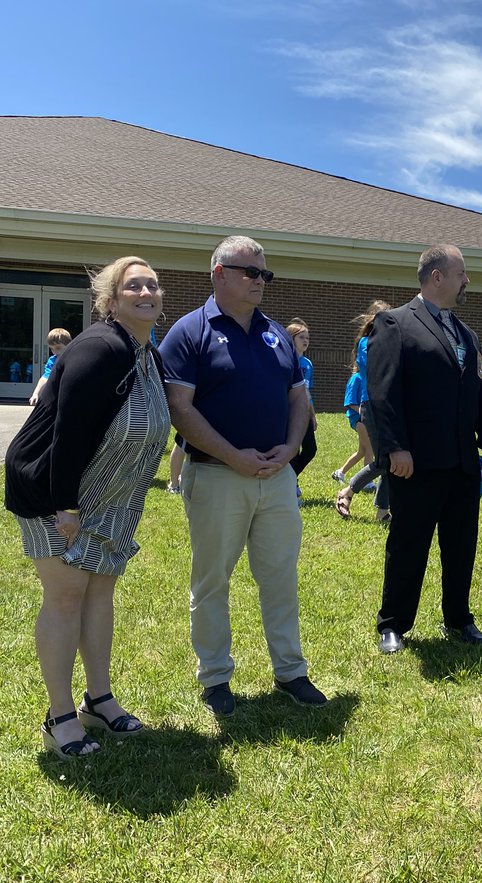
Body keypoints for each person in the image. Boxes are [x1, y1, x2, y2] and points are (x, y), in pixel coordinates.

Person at [4, 256, 170, 758]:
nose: (146, 293)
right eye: (133, 286)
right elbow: (67, 431)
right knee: (67, 597)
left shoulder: (147, 354)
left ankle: (99, 699)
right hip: (56, 493)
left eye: (153, 285)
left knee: (100, 592)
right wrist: (67, 507)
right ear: (110, 300)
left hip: (112, 498)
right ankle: (59, 718)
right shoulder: (100, 348)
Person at [160, 235, 327, 716]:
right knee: (212, 581)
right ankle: (215, 678)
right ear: (219, 273)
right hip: (216, 476)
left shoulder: (275, 333)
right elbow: (179, 408)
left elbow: (299, 397)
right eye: (251, 272)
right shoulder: (190, 332)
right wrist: (232, 455)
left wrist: (293, 448)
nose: (260, 281)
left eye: (265, 274)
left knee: (280, 578)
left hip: (276, 479)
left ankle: (290, 671)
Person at [366, 244, 482, 653]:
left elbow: (481, 398)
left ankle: (459, 617)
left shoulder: (468, 334)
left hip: (462, 463)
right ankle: (393, 624)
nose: (467, 281)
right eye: (462, 273)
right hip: (416, 464)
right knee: (409, 545)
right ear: (437, 276)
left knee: (461, 546)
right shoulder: (394, 324)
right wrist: (395, 449)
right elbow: (382, 394)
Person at [334, 301, 392, 520]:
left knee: (390, 460)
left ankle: (382, 512)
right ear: (374, 320)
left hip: (389, 408)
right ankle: (346, 492)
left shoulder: (392, 343)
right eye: (385, 319)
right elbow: (379, 370)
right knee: (383, 461)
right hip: (373, 407)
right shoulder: (366, 343)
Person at [286, 318, 318, 504]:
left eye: (307, 337)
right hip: (289, 413)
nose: (305, 341)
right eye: (301, 337)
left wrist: (312, 414)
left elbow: (306, 392)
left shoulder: (307, 364)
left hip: (304, 412)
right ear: (291, 339)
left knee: (310, 449)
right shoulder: (287, 361)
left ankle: (289, 479)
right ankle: (289, 487)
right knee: (292, 451)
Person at [332, 369, 366, 484]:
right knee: (370, 448)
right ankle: (366, 482)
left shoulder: (370, 378)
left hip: (368, 420)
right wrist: (363, 413)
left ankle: (340, 472)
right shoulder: (356, 378)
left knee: (362, 451)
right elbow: (350, 402)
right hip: (358, 418)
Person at [29, 328, 72, 406]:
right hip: (56, 396)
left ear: (69, 345)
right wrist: (36, 393)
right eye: (51, 349)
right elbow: (45, 377)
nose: (55, 351)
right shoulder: (53, 360)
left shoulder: (75, 358)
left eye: (58, 348)